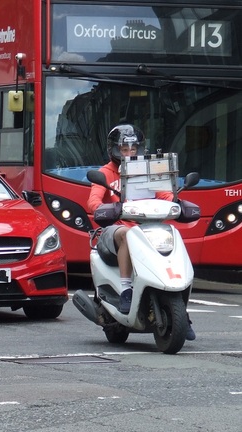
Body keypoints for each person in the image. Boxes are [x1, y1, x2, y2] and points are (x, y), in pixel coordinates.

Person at [87, 124, 196, 340]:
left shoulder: (147, 169)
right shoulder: (106, 173)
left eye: (134, 148)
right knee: (128, 234)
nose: (130, 153)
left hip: (146, 229)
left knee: (172, 232)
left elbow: (164, 194)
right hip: (116, 230)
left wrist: (176, 201)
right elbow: (93, 201)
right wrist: (109, 208)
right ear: (114, 150)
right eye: (124, 149)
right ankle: (126, 289)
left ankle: (181, 310)